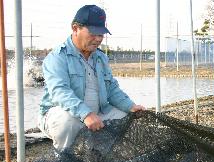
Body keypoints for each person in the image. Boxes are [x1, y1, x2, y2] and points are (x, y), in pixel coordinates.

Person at [38, 5, 145, 153]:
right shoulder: (57, 57)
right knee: (67, 123)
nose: (98, 39)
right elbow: (60, 92)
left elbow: (112, 89)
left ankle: (99, 155)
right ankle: (63, 159)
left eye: (101, 34)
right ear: (75, 28)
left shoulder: (101, 57)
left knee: (125, 117)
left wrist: (130, 106)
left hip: (96, 114)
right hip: (62, 114)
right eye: (93, 33)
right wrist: (86, 114)